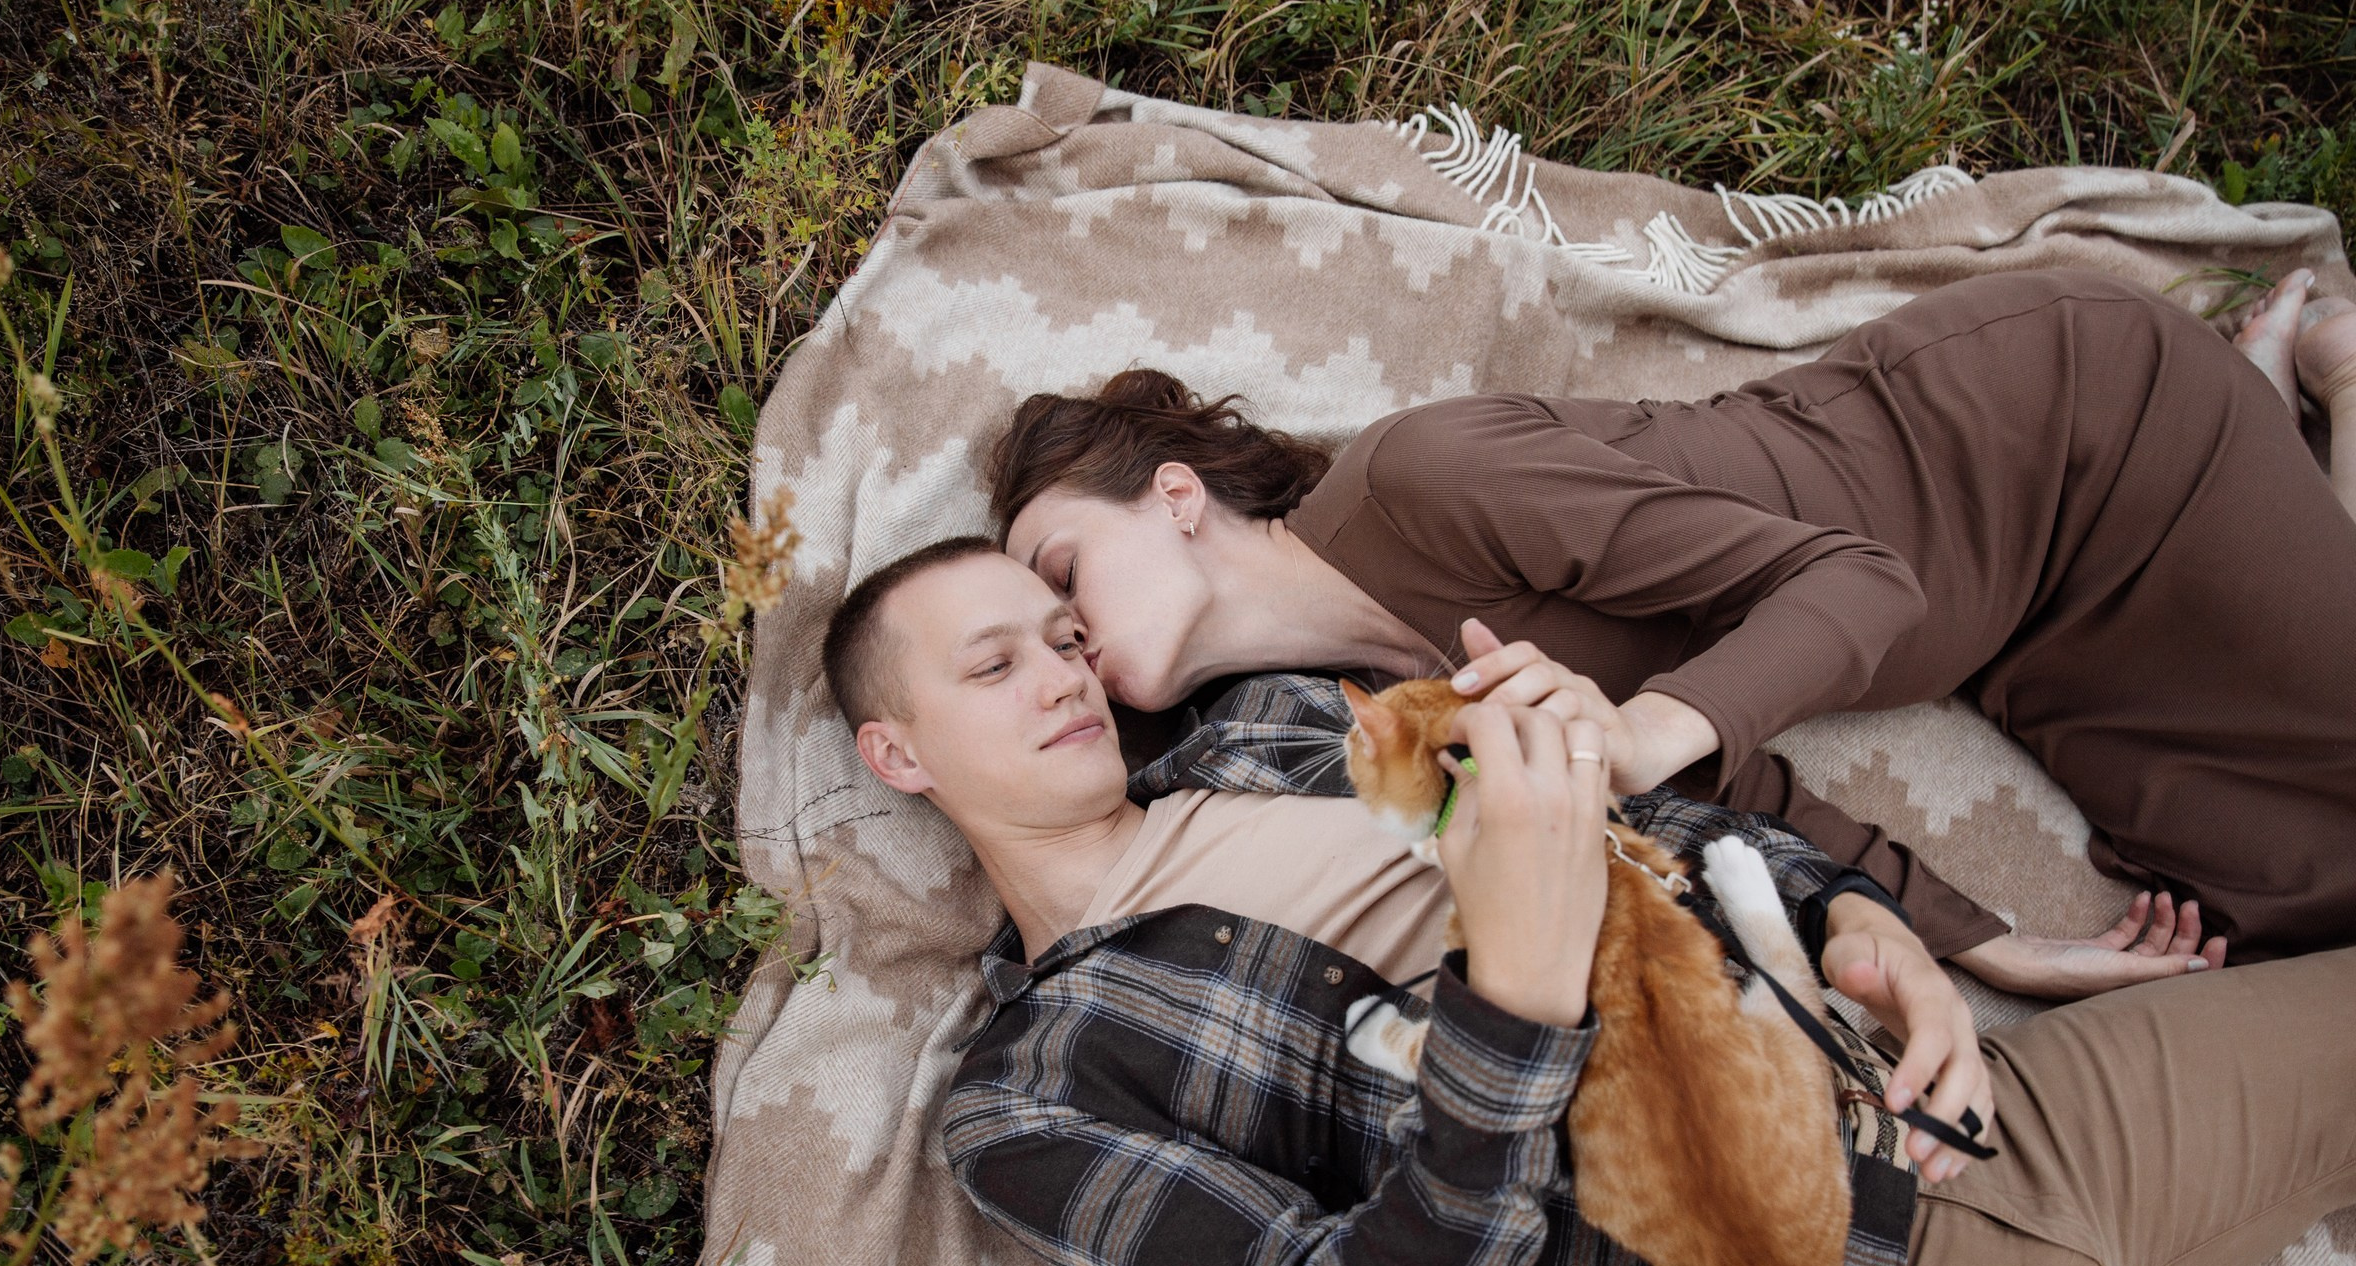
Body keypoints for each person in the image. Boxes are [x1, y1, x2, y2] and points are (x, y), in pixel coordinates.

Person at [824, 538, 2356, 1266]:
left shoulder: (1279, 727)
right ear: (895, 751)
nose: (1063, 677)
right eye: (993, 667)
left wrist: (1860, 925)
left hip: (1988, 1119)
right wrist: (1516, 998)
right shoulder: (1035, 1097)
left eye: (1061, 639)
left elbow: (1657, 823)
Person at [987, 268, 2356, 978]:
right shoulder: (1372, 714)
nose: (1063, 639)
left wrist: (1636, 734)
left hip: (2063, 434)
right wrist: (1990, 940)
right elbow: (1737, 793)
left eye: (1060, 575)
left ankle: (2314, 386)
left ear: (1177, 495)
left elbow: (1860, 582)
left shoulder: (1423, 480)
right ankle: (2273, 441)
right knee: (2295, 899)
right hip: (2021, 624)